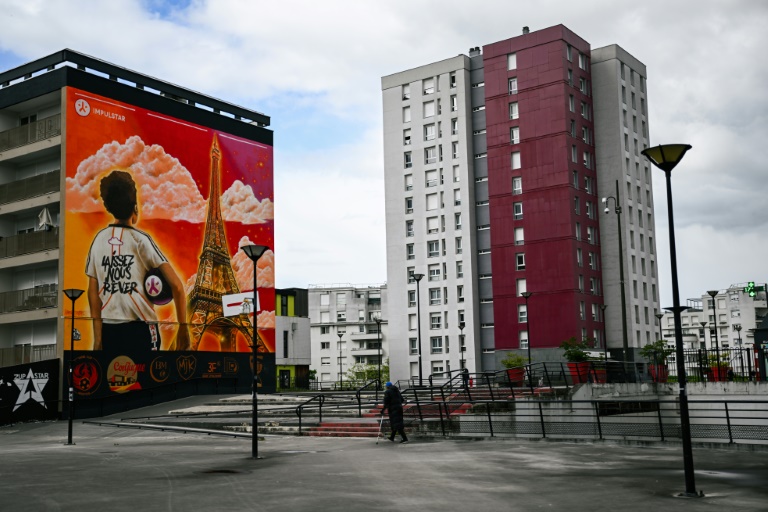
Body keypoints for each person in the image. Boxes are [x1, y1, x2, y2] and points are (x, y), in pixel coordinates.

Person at [86, 170, 190, 352]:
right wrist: (183, 328)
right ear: (135, 206)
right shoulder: (141, 240)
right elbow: (178, 287)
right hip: (141, 329)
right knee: (145, 380)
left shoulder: (98, 241)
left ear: (109, 207)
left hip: (110, 330)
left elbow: (93, 294)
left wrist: (98, 338)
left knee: (115, 379)